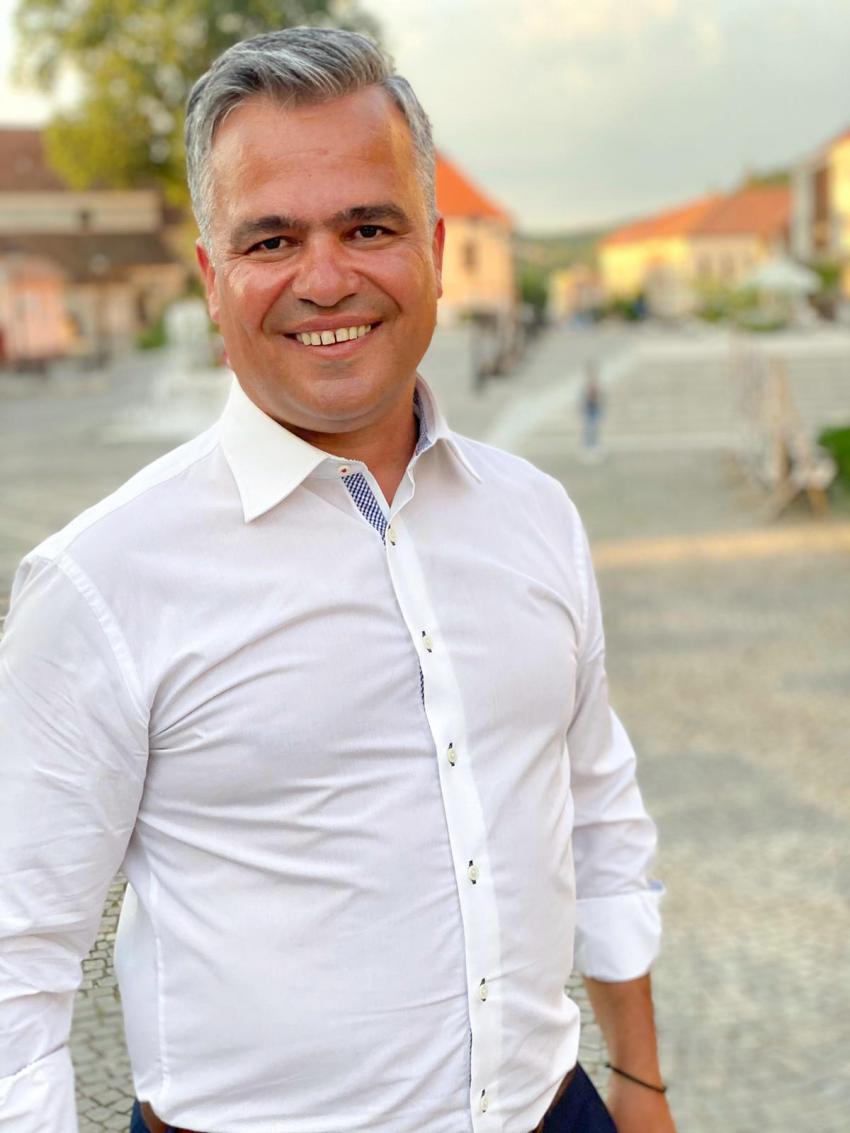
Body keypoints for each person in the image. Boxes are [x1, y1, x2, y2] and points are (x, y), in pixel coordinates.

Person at [0, 28, 676, 1133]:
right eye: (272, 239)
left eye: (369, 227)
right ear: (213, 279)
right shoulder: (100, 582)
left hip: (554, 1110)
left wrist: (638, 1080)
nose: (325, 280)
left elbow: (596, 805)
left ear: (435, 250)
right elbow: (15, 956)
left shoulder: (536, 517)